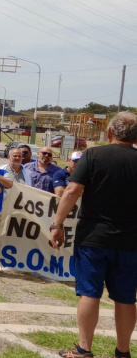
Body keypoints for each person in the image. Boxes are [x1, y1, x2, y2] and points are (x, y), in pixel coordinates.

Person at [50, 112, 137, 358]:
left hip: (93, 238)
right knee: (126, 297)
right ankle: (123, 351)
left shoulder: (93, 155)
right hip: (131, 241)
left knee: (89, 292)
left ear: (109, 133)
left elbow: (72, 190)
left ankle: (84, 349)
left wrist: (57, 224)